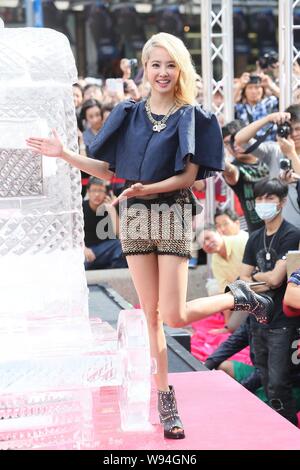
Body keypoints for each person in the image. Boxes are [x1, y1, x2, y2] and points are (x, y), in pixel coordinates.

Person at [27, 32, 272, 440]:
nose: (162, 72)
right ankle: (165, 399)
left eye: (170, 64)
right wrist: (64, 154)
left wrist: (144, 188)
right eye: (156, 64)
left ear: (180, 69)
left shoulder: (190, 115)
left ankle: (238, 297)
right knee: (150, 316)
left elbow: (188, 177)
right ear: (145, 66)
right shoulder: (129, 112)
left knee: (174, 314)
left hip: (172, 209)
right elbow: (107, 169)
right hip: (137, 214)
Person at [237, 177, 300, 425]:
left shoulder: (292, 234)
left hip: (282, 322)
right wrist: (260, 277)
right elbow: (242, 277)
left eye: (269, 198)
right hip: (258, 318)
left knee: (278, 382)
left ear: (282, 202)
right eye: (259, 198)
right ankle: (275, 427)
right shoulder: (254, 237)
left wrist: (257, 276)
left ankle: (289, 429)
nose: (263, 203)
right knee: (263, 375)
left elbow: (275, 280)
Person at [234, 104, 300, 229]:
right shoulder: (274, 150)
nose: (295, 134)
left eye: (298, 129)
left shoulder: (286, 150)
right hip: (281, 229)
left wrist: (290, 153)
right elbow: (240, 140)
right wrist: (267, 119)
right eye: (290, 129)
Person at [222, 113, 290, 232]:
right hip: (257, 234)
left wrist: (270, 118)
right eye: (228, 143)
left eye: (235, 139)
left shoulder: (269, 156)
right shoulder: (234, 168)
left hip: (286, 227)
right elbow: (231, 172)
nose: (234, 145)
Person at [83, 177, 127, 270]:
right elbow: (73, 235)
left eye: (101, 191)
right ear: (88, 192)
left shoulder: (111, 207)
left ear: (106, 193)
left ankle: (113, 278)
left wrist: (112, 210)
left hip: (106, 250)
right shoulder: (81, 208)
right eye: (94, 190)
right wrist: (83, 248)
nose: (97, 194)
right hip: (86, 250)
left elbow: (120, 235)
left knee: (121, 245)